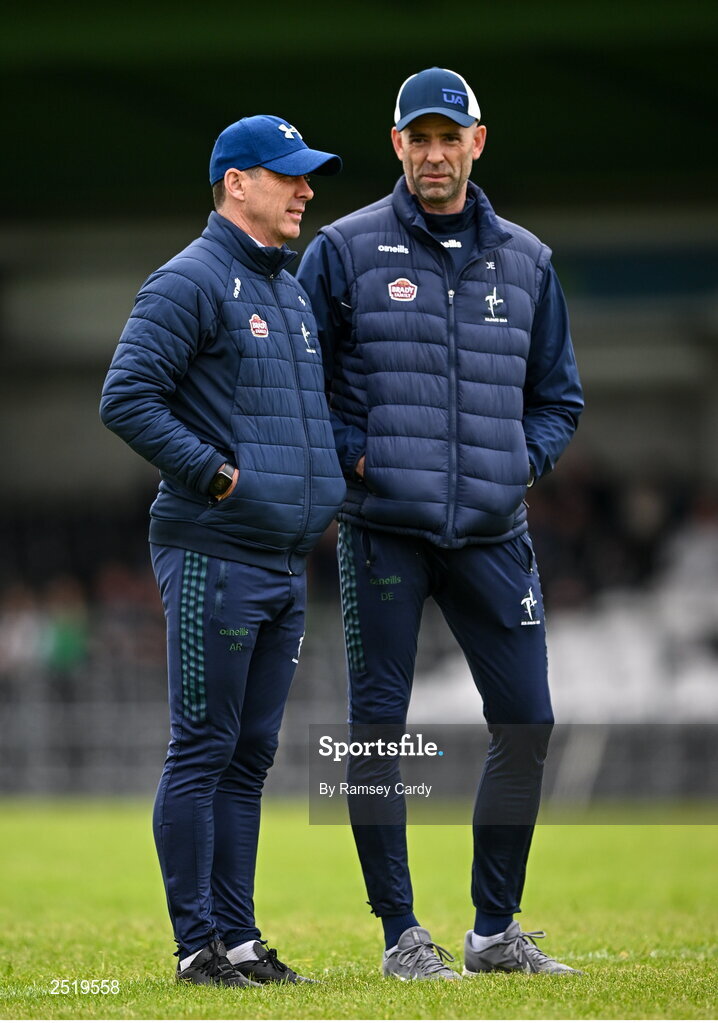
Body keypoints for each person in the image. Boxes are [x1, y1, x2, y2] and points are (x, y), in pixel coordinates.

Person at [297, 67, 584, 980]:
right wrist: (357, 457)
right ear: (396, 147)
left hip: (497, 535)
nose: (433, 153)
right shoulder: (342, 252)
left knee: (527, 721)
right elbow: (304, 389)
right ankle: (400, 936)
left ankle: (494, 931)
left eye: (447, 136)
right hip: (383, 529)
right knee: (379, 732)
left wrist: (516, 462)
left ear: (477, 141)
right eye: (417, 139)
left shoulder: (530, 261)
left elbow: (558, 400)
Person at [100, 115, 345, 987]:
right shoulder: (190, 280)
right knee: (204, 746)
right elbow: (126, 396)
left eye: (308, 177)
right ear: (236, 183)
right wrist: (218, 478)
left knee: (250, 754)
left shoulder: (289, 289)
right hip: (215, 546)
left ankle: (240, 941)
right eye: (289, 176)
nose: (306, 190)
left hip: (280, 559)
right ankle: (196, 947)